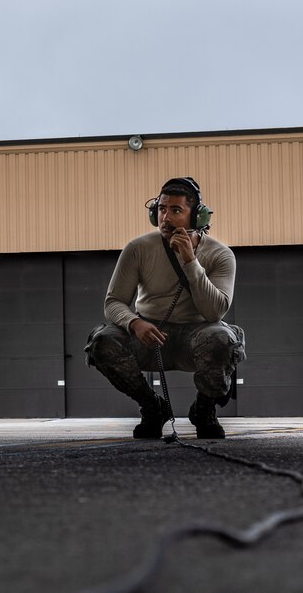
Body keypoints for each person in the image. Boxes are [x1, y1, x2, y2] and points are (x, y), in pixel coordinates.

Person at [84, 177, 245, 439]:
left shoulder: (220, 255)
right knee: (102, 342)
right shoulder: (138, 249)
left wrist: (191, 262)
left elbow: (215, 312)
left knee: (224, 339)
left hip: (196, 338)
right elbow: (113, 302)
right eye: (161, 209)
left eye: (176, 210)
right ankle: (152, 408)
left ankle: (204, 410)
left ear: (197, 217)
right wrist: (134, 323)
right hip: (149, 336)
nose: (165, 217)